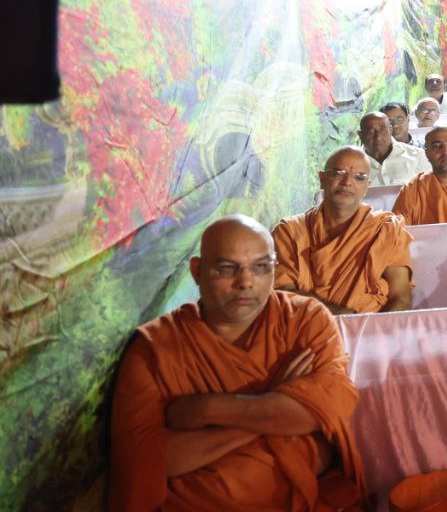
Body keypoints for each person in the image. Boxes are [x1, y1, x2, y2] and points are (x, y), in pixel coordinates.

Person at [109, 216, 365, 509]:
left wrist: (207, 409)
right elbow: (151, 462)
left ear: (274, 269)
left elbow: (331, 407)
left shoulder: (305, 319)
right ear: (197, 271)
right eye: (226, 268)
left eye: (260, 267)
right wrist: (274, 403)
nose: (245, 282)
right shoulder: (154, 348)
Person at [273, 147, 413, 315]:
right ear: (322, 179)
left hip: (372, 327)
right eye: (338, 173)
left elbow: (401, 298)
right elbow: (283, 292)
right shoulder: (290, 231)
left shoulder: (385, 229)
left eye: (359, 177)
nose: (347, 182)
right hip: (306, 326)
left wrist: (370, 329)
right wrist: (344, 317)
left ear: (366, 187)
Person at [357, 111, 430, 186]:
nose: (378, 137)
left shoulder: (418, 155)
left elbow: (431, 187)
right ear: (360, 135)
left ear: (390, 130)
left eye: (383, 130)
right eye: (371, 132)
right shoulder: (353, 162)